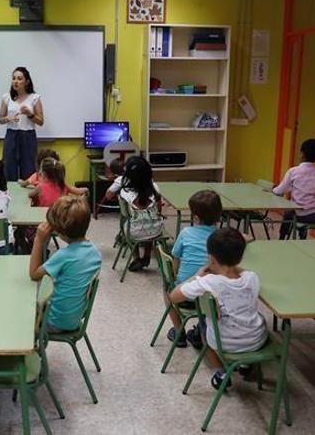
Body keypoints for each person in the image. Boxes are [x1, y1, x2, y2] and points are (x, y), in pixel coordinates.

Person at [169, 228, 268, 390]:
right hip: (257, 340)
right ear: (240, 257)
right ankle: (245, 365)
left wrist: (197, 276)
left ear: (211, 258)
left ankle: (221, 372)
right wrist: (232, 267)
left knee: (203, 328)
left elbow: (173, 296)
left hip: (224, 343)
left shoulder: (208, 282)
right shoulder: (252, 277)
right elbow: (242, 272)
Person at [28, 195, 101, 333]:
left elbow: (34, 275)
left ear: (59, 231)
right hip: (73, 320)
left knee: (18, 307)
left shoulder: (64, 256)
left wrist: (38, 240)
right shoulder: (94, 253)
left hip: (53, 322)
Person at [165, 190, 222, 347]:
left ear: (195, 217)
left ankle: (179, 332)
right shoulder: (221, 237)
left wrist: (176, 278)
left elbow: (175, 258)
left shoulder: (185, 233)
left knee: (166, 292)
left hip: (186, 296)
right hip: (213, 300)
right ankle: (202, 329)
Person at [113, 156, 164, 271]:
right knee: (150, 222)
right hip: (155, 231)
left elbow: (125, 215)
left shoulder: (125, 192)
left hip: (133, 233)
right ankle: (146, 256)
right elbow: (159, 211)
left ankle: (136, 257)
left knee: (131, 224)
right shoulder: (155, 189)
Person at [0, 67, 44, 182]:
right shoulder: (6, 97)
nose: (16, 81)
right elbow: (0, 119)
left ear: (27, 82)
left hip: (28, 136)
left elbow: (41, 121)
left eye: (19, 79)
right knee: (8, 168)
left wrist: (30, 114)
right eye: (13, 78)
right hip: (11, 135)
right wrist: (7, 118)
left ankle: (28, 198)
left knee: (29, 170)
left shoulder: (34, 98)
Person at [273, 139, 315, 240]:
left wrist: (273, 189)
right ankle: (302, 237)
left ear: (301, 154)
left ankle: (282, 238)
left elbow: (280, 190)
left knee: (289, 213)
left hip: (301, 215)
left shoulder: (293, 171)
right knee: (296, 210)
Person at [20, 148, 88, 195]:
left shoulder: (36, 178)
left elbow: (25, 185)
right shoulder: (61, 183)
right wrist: (85, 190)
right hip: (59, 213)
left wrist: (20, 182)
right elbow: (77, 191)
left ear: (40, 167)